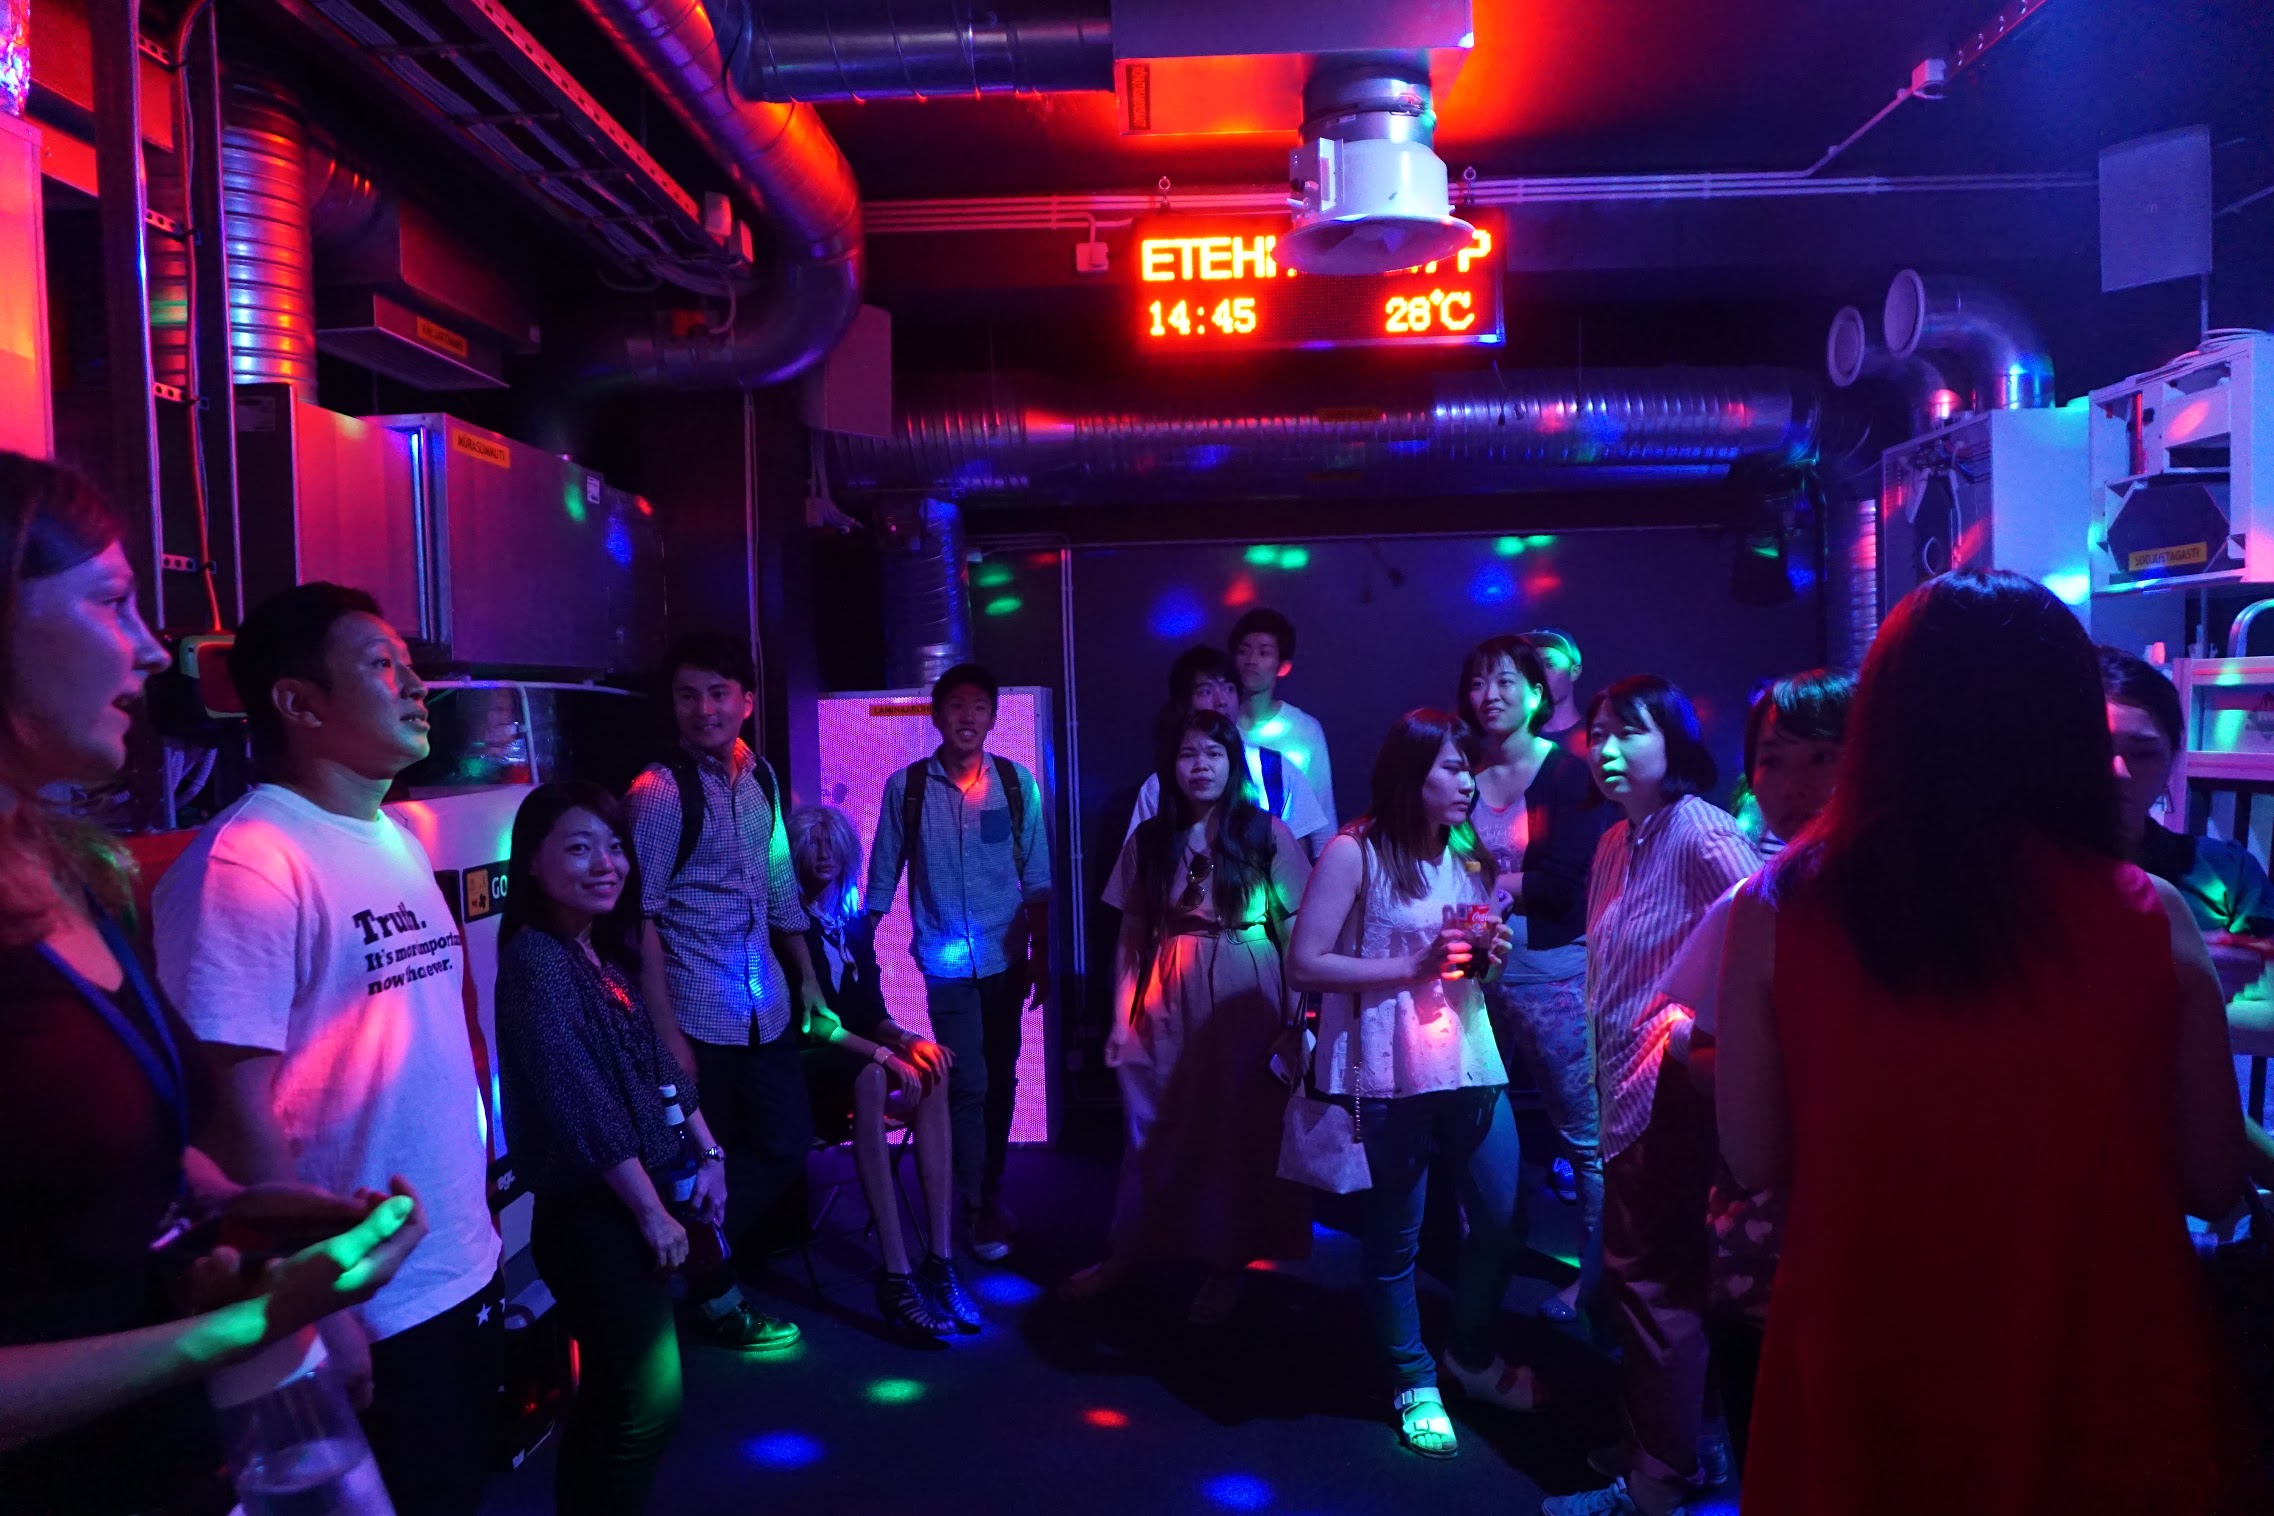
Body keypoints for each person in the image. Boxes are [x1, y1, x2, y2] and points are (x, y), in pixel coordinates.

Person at [1718, 570, 2263, 1515]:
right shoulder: (2148, 914)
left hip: (1870, 1338)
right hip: (2094, 1344)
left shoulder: (1780, 907)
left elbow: (1756, 1153)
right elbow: (2214, 1180)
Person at [0, 454, 426, 1515]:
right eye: (111, 601)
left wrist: (237, 1208)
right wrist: (247, 1326)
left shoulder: (68, 870)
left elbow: (99, 1171)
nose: (153, 648)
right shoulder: (248, 858)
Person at [157, 582, 502, 1516]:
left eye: (410, 665)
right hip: (362, 1302)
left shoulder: (391, 837)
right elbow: (226, 1106)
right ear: (299, 704)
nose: (417, 686)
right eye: (383, 666)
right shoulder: (250, 859)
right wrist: (321, 1307)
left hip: (452, 1266)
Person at [493, 782, 789, 1515]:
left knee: (623, 1401)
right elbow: (582, 1103)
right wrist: (652, 1211)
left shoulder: (590, 950)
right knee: (642, 1406)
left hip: (625, 1206)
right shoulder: (537, 961)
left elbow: (656, 1064)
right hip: (593, 1217)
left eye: (615, 846)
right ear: (531, 862)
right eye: (580, 847)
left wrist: (709, 1152)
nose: (607, 863)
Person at [1287, 709, 1533, 1459]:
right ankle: (1413, 1378)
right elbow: (1304, 963)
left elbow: (1474, 971)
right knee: (1397, 1232)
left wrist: (1490, 955)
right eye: (1453, 768)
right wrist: (1416, 964)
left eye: (1469, 769)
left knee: (1502, 1218)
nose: (1468, 783)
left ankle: (1468, 1351)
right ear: (1411, 771)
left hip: (1467, 1054)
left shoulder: (1466, 849)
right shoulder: (1354, 851)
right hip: (1387, 1064)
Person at [1544, 675, 1760, 1516]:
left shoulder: (1700, 829)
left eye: (1628, 731)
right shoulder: (1616, 839)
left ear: (1673, 740)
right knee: (1651, 1273)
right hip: (1627, 1084)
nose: (1605, 748)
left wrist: (1688, 1033)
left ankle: (1655, 1484)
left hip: (1670, 1090)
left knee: (1650, 1279)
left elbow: (1765, 938)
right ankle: (1681, 1450)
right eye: (1597, 732)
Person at [1659, 669, 1855, 1479]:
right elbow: (1700, 1049)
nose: (1795, 785)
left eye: (1823, 756)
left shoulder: (1923, 904)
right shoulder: (1758, 899)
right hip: (1773, 1237)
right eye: (1773, 760)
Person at [1067, 711, 1314, 1322]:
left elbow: (1297, 935)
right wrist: (1120, 1019)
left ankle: (1228, 1263)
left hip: (1246, 987)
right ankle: (1130, 1251)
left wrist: (1298, 1022)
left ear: (1233, 763)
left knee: (1240, 1129)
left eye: (1213, 753)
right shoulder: (1150, 840)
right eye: (1188, 754)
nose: (1200, 765)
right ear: (1170, 765)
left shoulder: (1265, 833)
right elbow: (1130, 935)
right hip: (1167, 987)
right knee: (1151, 1126)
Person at [623, 635, 816, 1347]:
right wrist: (665, 1032)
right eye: (687, 695)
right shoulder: (659, 791)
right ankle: (713, 1296)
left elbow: (779, 883)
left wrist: (807, 979)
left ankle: (698, 1261)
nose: (703, 709)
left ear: (747, 701)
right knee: (704, 1162)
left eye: (717, 693)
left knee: (786, 1143)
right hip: (696, 1008)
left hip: (765, 1005)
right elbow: (639, 917)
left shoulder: (760, 775)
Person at [867, 663, 1052, 1262]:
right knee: (967, 1081)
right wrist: (858, 945)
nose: (967, 716)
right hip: (945, 962)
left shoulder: (1017, 784)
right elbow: (882, 875)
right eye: (955, 705)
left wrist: (1042, 957)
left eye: (978, 706)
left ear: (993, 717)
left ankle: (990, 1191)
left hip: (1007, 957)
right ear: (937, 715)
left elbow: (1038, 880)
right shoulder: (907, 788)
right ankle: (971, 1209)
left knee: (1001, 1078)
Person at [1458, 634, 1613, 1325]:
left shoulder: (1567, 772)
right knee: (1471, 1117)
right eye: (1478, 682)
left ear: (1535, 692)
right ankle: (1485, 1251)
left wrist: (1479, 883)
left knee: (1583, 1133)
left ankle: (1596, 1279)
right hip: (1470, 971)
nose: (1489, 695)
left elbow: (1560, 886)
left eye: (1505, 681)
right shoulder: (1459, 765)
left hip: (1548, 970)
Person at [786, 804, 977, 1340]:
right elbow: (812, 1025)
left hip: (859, 1052)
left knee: (933, 1069)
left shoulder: (851, 925)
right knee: (870, 1078)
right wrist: (882, 1056)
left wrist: (909, 1041)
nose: (823, 853)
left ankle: (939, 1260)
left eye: (832, 842)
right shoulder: (789, 929)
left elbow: (872, 1012)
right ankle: (896, 1273)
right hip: (809, 1062)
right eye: (812, 843)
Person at [2100, 645, 2274, 939]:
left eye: (2142, 753)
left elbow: (2262, 961)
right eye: (2097, 749)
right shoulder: (2026, 875)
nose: (2118, 772)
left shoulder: (2230, 872)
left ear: (2173, 759)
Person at [1127, 645, 1333, 858]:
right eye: (1206, 691)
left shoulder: (1277, 771)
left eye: (1229, 689)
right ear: (1183, 704)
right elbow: (1136, 861)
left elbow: (1299, 855)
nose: (1222, 701)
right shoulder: (1159, 786)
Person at [1231, 607, 1337, 829]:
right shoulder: (1219, 726)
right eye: (1243, 651)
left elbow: (1322, 811)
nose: (1251, 660)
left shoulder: (1305, 730)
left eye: (1264, 653)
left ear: (1283, 666)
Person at [1524, 627, 1587, 750]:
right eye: (1533, 666)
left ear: (1574, 672)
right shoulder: (1516, 739)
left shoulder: (1594, 737)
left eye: (1550, 665)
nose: (1539, 674)